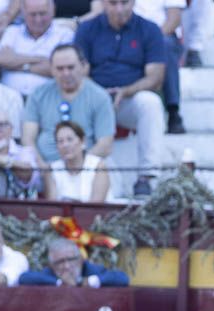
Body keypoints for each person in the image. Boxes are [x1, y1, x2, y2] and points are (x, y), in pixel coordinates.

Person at [73, 0, 167, 198]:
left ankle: (147, 176)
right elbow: (79, 71)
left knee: (151, 104)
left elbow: (155, 76)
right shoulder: (87, 29)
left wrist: (125, 91)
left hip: (129, 98)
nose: (119, 9)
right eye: (113, 3)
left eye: (124, 2)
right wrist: (100, 96)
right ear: (103, 3)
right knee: (74, 99)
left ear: (133, 2)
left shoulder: (149, 29)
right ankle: (79, 176)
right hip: (94, 97)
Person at [21, 44, 115, 165]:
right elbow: (28, 139)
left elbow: (105, 145)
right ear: (51, 69)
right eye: (60, 69)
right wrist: (43, 168)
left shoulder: (99, 96)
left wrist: (76, 166)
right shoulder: (38, 94)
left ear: (83, 66)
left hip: (86, 165)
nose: (66, 73)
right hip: (45, 165)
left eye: (71, 67)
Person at [0, 0, 76, 98]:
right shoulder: (12, 32)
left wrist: (17, 62)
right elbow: (0, 59)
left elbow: (61, 69)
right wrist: (42, 60)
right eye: (33, 14)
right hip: (9, 99)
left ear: (53, 11)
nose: (38, 19)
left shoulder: (65, 35)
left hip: (48, 99)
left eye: (42, 13)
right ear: (23, 13)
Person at [131, 0, 185, 134]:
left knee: (164, 45)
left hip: (162, 34)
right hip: (129, 34)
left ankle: (173, 111)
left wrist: (152, 40)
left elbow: (174, 19)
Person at [17, 237, 129, 286]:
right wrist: (60, 283)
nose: (67, 266)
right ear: (51, 264)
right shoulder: (49, 273)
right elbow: (24, 278)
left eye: (71, 259)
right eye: (60, 262)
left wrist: (89, 282)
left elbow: (122, 278)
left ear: (81, 259)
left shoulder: (89, 269)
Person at [44, 119, 108, 201]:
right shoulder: (52, 169)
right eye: (60, 141)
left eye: (70, 139)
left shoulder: (98, 166)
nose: (65, 145)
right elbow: (52, 207)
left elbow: (96, 206)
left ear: (82, 141)